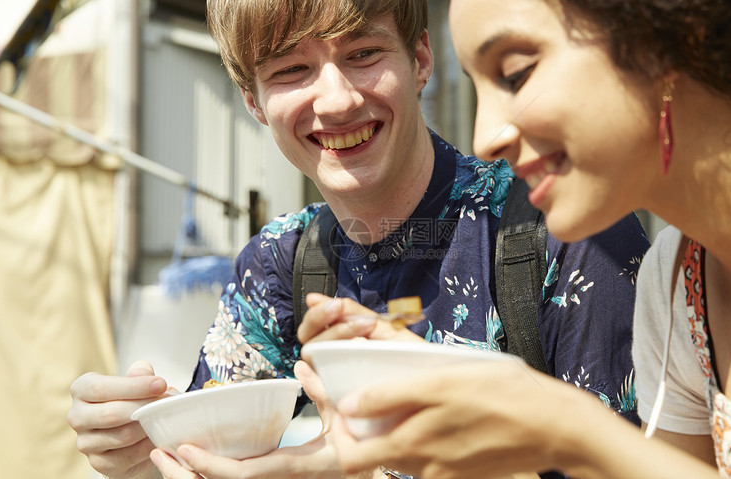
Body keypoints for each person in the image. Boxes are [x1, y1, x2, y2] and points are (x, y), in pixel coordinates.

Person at [66, 0, 651, 478]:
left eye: (364, 53)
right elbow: (213, 453)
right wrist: (140, 450)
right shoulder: (281, 262)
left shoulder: (563, 229)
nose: (339, 100)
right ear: (254, 102)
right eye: (290, 70)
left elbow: (635, 464)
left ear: (420, 57)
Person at [325, 0, 731, 478]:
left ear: (664, 35)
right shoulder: (674, 285)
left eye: (517, 74)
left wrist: (567, 427)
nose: (485, 137)